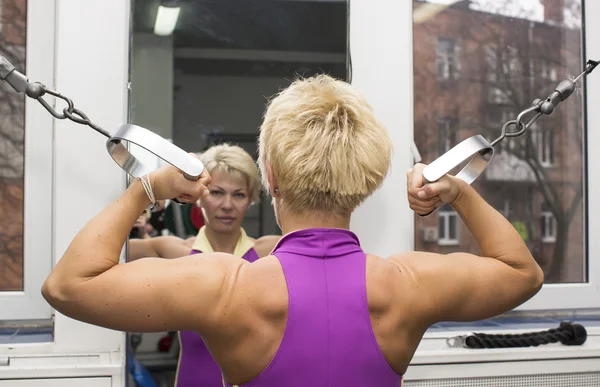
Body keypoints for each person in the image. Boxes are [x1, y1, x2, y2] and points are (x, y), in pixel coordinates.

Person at [42, 74, 544, 387]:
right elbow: (522, 272)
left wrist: (146, 189)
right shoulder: (408, 284)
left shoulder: (226, 285)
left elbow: (69, 285)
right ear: (367, 183)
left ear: (272, 180)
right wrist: (455, 191)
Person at [128, 144, 281, 386]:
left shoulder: (270, 252)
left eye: (238, 194)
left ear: (250, 199)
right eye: (217, 193)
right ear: (199, 196)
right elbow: (104, 254)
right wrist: (138, 202)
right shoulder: (175, 252)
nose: (227, 205)